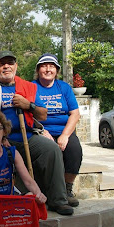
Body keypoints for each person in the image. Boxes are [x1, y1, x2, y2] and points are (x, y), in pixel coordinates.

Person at [0, 51, 73, 215]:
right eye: (2, 63)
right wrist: (0, 137)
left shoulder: (27, 87)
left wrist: (28, 105)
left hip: (28, 136)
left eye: (10, 63)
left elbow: (43, 114)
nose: (6, 66)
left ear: (16, 66)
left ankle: (58, 200)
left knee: (51, 149)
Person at [32, 53, 83, 207]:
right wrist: (41, 131)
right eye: (44, 66)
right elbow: (28, 114)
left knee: (74, 150)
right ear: (38, 69)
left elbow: (75, 114)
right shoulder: (32, 87)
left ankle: (67, 189)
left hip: (63, 130)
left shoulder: (64, 87)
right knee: (49, 151)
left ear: (57, 70)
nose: (48, 69)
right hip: (41, 130)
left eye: (51, 66)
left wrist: (65, 135)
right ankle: (50, 191)